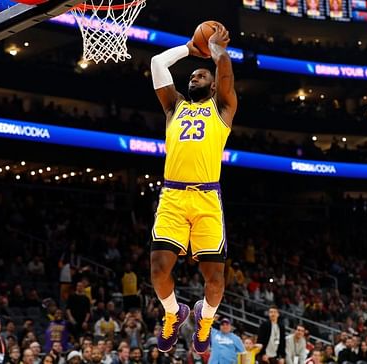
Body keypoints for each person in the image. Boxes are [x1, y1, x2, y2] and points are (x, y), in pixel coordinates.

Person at [149, 23, 236, 354]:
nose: (193, 78)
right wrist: (189, 46)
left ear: (213, 86)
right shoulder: (174, 107)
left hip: (207, 199)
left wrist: (213, 48)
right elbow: (158, 63)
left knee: (214, 279)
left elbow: (225, 69)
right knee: (158, 270)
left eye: (200, 76)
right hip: (172, 197)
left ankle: (205, 321)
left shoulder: (222, 108)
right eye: (191, 77)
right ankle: (174, 314)